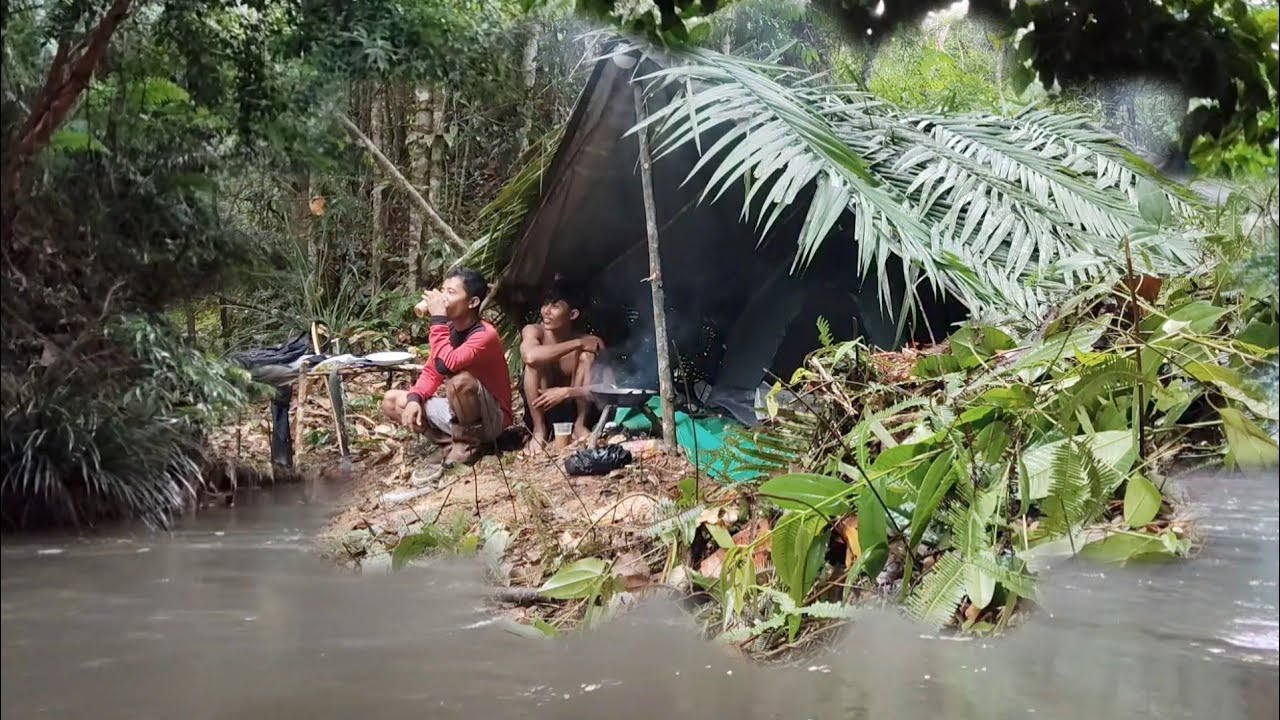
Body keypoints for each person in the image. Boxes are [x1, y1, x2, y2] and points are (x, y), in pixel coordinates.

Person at [381, 268, 513, 467]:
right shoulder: (448, 330)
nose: (443, 297)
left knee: (459, 381)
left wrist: (438, 320)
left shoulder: (484, 335)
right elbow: (432, 371)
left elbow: (446, 363)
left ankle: (467, 445)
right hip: (459, 413)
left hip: (492, 418)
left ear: (473, 302)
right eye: (443, 290)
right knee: (392, 400)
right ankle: (449, 445)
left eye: (451, 293)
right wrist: (415, 398)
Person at [518, 279, 609, 452]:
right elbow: (529, 356)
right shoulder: (534, 331)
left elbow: (608, 387)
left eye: (555, 306)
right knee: (534, 364)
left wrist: (568, 392)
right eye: (545, 304)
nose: (546, 311)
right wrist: (577, 343)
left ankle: (580, 425)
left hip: (575, 410)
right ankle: (539, 431)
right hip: (543, 409)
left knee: (586, 357)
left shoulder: (592, 343)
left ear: (572, 314)